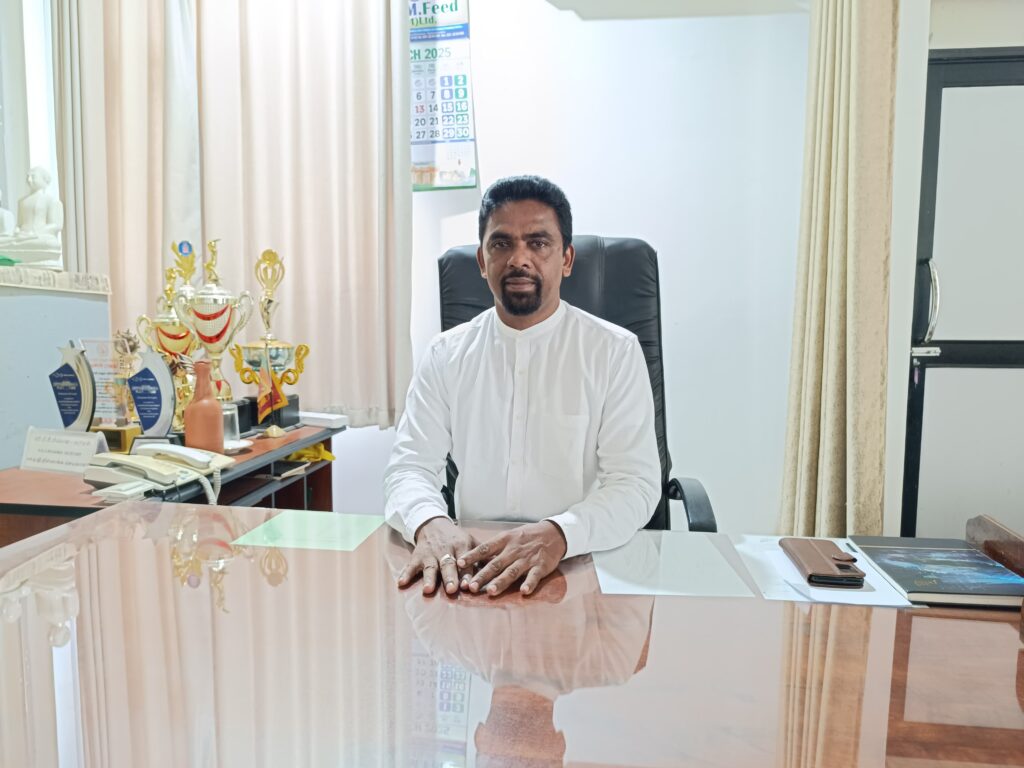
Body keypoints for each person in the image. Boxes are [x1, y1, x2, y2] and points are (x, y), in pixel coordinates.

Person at [384, 175, 661, 598]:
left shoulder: (614, 352)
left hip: (578, 566)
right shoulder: (445, 355)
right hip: (470, 569)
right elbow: (410, 466)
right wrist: (429, 521)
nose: (519, 259)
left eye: (538, 243)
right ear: (482, 260)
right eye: (501, 244)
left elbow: (634, 484)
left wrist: (560, 533)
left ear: (566, 259)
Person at [0, 166, 64, 268]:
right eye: (28, 177)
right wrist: (17, 230)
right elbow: (20, 224)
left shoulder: (51, 200)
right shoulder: (22, 201)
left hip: (38, 237)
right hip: (21, 237)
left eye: (33, 177)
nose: (29, 180)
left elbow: (56, 225)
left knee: (49, 244)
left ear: (43, 179)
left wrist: (35, 232)